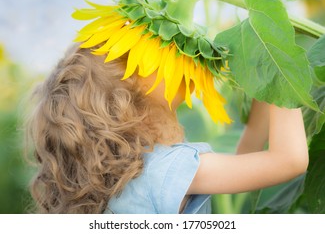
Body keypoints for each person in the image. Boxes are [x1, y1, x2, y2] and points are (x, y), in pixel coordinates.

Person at [25, 44, 308, 214]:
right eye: (140, 55)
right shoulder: (162, 170)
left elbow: (247, 155)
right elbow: (289, 160)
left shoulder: (123, 182)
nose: (163, 54)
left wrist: (266, 87)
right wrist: (279, 62)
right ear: (128, 96)